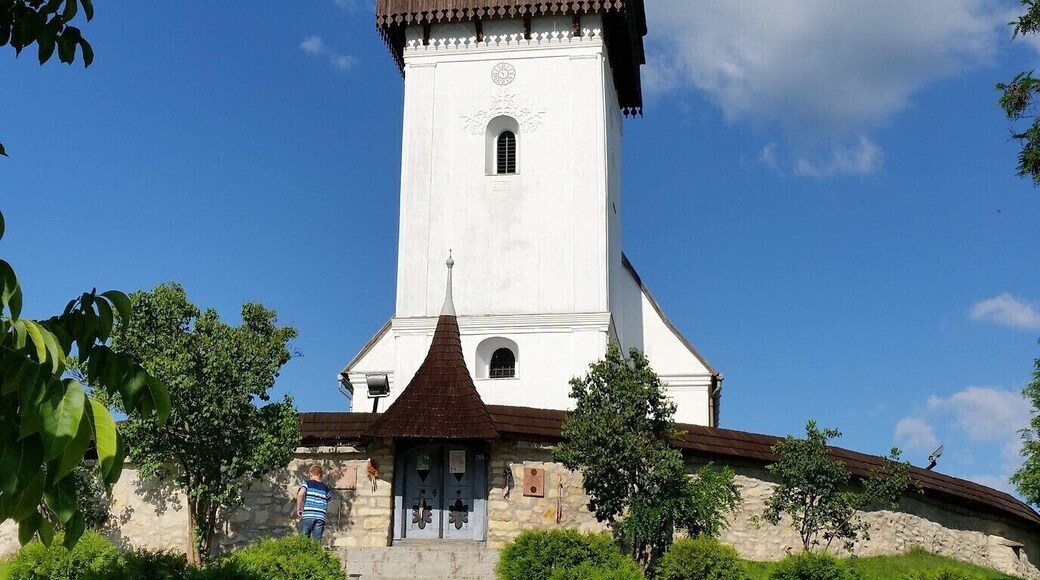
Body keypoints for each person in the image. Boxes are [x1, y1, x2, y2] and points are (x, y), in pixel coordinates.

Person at [296, 464, 333, 540]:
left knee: (303, 539)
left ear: (311, 474)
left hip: (308, 515)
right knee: (316, 540)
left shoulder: (307, 483)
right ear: (321, 475)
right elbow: (329, 499)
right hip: (320, 517)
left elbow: (300, 494)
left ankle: (303, 548)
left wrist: (298, 509)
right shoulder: (325, 488)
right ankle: (315, 548)